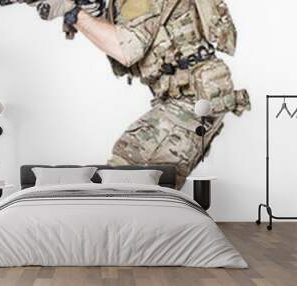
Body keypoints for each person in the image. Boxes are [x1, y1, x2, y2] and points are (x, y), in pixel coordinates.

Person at [35, 0, 250, 189]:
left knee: (126, 172)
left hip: (195, 98)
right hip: (187, 96)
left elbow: (125, 50)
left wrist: (73, 11)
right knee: (140, 178)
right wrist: (89, 12)